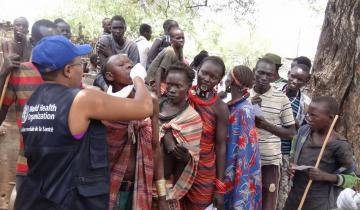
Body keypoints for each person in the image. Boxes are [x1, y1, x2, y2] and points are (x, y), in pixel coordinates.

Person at [14, 35, 153, 210]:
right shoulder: (82, 100)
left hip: (34, 198)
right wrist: (138, 77)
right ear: (68, 70)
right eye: (81, 64)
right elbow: (145, 107)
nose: (84, 68)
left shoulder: (34, 101)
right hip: (68, 202)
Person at [102, 54, 167, 210]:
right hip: (107, 187)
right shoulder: (103, 103)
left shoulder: (151, 101)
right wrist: (138, 79)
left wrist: (162, 195)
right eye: (122, 65)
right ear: (109, 75)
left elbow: (156, 148)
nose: (129, 66)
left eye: (130, 64)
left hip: (138, 188)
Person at [0, 19, 58, 192]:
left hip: (61, 168)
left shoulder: (69, 73)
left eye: (56, 42)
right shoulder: (19, 72)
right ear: (34, 42)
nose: (52, 48)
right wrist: (3, 73)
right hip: (27, 165)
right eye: (45, 42)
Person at [284, 96, 355, 210]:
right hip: (294, 198)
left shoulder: (340, 145)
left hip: (319, 203)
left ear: (331, 118)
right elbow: (293, 153)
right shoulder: (304, 131)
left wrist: (325, 176)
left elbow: (353, 179)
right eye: (308, 114)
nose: (308, 118)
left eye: (314, 115)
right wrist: (291, 166)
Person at [250, 58, 296, 210]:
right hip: (245, 161)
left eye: (269, 74)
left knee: (268, 205)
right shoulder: (243, 95)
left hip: (270, 163)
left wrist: (265, 125)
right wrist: (249, 107)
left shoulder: (281, 99)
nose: (264, 77)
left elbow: (291, 133)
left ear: (274, 76)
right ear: (254, 71)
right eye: (260, 72)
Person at [184, 56, 229, 210]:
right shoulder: (182, 96)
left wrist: (219, 187)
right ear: (197, 70)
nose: (207, 79)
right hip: (178, 165)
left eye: (213, 77)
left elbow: (221, 146)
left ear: (220, 80)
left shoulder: (221, 108)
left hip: (204, 171)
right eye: (204, 73)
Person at [158, 62, 202, 209]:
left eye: (178, 86)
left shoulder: (192, 118)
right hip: (141, 178)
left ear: (189, 88)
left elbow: (191, 157)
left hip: (168, 184)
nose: (172, 90)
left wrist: (185, 156)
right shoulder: (154, 105)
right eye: (169, 84)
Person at [224, 65, 262, 210]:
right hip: (230, 160)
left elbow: (245, 150)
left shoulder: (243, 110)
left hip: (238, 164)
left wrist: (239, 173)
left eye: (228, 76)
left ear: (232, 81)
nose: (225, 79)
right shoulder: (234, 106)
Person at [276, 63, 312, 210]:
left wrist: (298, 125)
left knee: (282, 193)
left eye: (300, 79)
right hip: (267, 150)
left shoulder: (306, 103)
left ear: (307, 81)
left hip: (287, 154)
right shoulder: (274, 92)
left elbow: (305, 132)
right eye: (293, 76)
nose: (295, 81)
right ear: (288, 74)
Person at [146, 27, 184, 96]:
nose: (181, 40)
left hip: (163, 82)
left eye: (183, 38)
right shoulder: (170, 51)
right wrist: (159, 95)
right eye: (178, 38)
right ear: (171, 41)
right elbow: (159, 73)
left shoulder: (180, 51)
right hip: (152, 83)